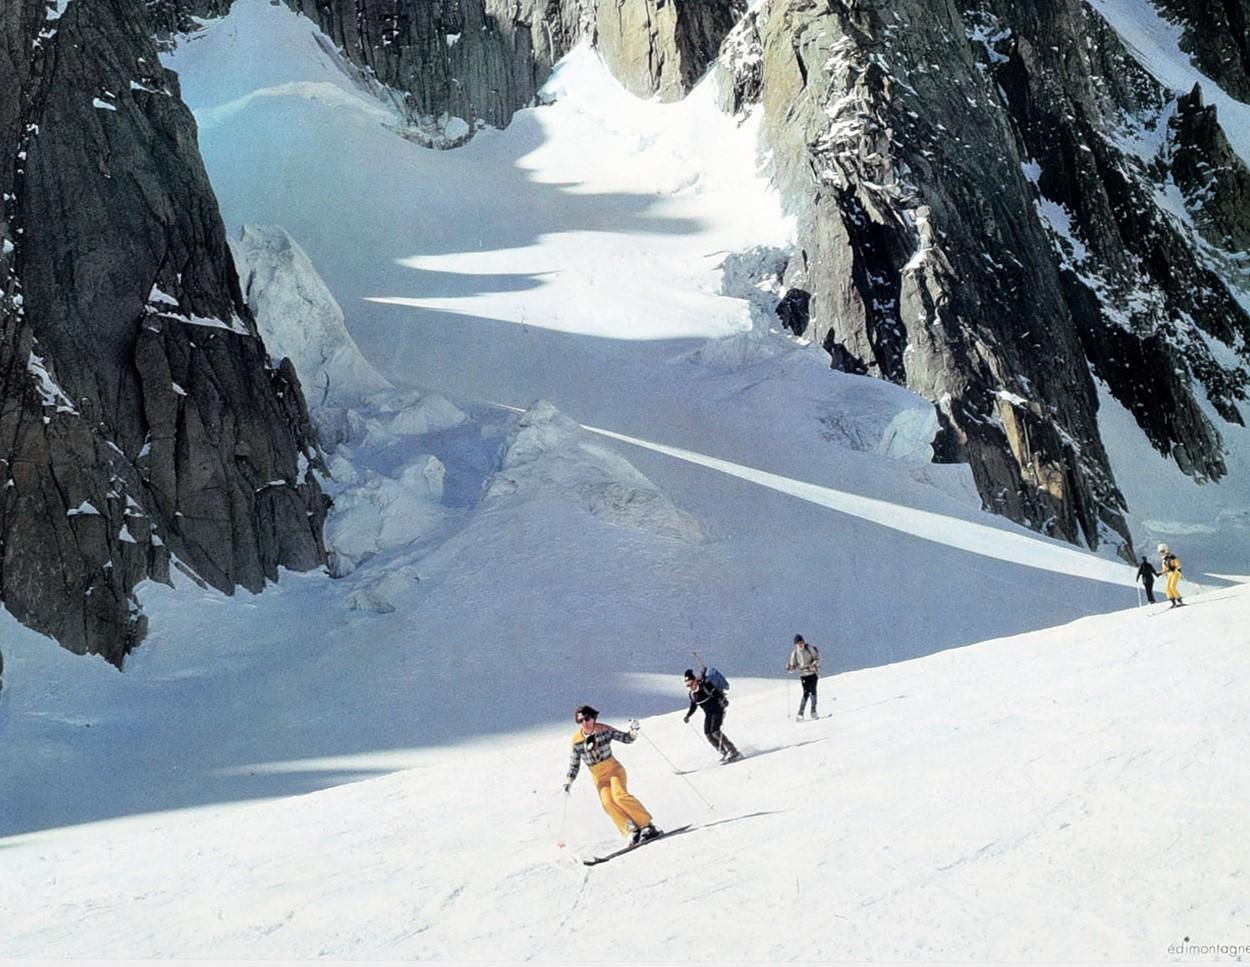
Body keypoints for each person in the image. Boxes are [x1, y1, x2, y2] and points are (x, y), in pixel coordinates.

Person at [563, 704, 659, 844]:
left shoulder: (604, 730)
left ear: (593, 718)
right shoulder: (577, 740)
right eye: (580, 721)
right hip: (599, 777)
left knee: (620, 796)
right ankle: (632, 830)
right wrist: (569, 781)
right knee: (608, 803)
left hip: (614, 770)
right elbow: (574, 763)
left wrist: (633, 730)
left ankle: (647, 826)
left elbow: (626, 739)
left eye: (587, 718)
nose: (584, 723)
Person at [682, 668, 742, 763]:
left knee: (715, 731)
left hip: (718, 710)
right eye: (688, 685)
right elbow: (693, 706)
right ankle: (724, 752)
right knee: (708, 734)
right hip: (708, 714)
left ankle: (734, 752)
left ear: (695, 681)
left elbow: (717, 694)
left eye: (691, 683)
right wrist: (688, 716)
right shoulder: (692, 694)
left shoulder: (705, 686)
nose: (690, 686)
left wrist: (723, 700)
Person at [786, 634, 821, 720]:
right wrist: (790, 668)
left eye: (801, 642)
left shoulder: (809, 648)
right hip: (803, 675)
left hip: (813, 674)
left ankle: (813, 711)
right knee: (806, 692)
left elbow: (817, 658)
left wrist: (814, 665)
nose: (800, 644)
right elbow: (793, 665)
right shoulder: (794, 653)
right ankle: (801, 712)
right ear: (795, 644)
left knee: (812, 691)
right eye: (798, 643)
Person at [1158, 543, 1184, 608]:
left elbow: (1178, 564)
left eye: (1163, 551)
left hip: (1175, 573)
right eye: (1160, 552)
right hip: (1169, 574)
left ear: (1166, 550)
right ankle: (1173, 602)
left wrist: (1178, 568)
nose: (1162, 553)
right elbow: (1165, 569)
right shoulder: (1164, 560)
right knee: (1167, 588)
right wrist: (1160, 573)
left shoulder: (1172, 557)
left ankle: (1180, 601)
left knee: (1172, 587)